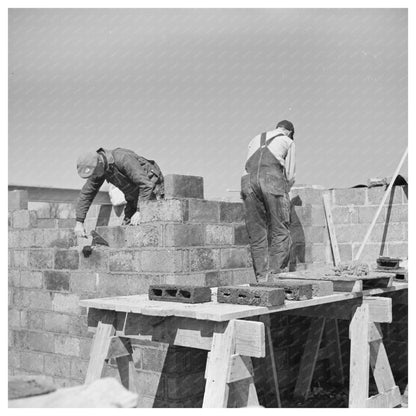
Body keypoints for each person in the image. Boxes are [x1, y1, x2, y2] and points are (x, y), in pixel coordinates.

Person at [241, 120, 296, 281]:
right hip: (272, 180)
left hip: (247, 182)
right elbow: (290, 175)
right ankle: (276, 277)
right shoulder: (288, 141)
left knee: (256, 233)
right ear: (290, 132)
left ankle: (261, 277)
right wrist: (285, 193)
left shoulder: (255, 138)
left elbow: (246, 167)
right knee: (280, 230)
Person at [74, 147, 164, 237]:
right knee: (125, 233)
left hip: (152, 192)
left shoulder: (123, 158)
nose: (94, 176)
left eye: (94, 173)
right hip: (134, 198)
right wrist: (79, 222)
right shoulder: (100, 168)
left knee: (150, 231)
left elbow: (146, 185)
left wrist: (140, 211)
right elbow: (86, 194)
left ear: (100, 162)